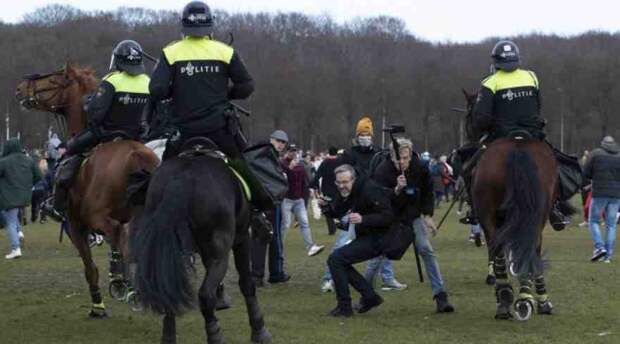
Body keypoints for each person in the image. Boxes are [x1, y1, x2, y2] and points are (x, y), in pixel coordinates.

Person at [463, 39, 580, 230]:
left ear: (495, 62)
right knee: (556, 164)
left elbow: (482, 119)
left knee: (469, 169)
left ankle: (475, 210)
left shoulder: (490, 82)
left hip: (501, 136)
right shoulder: (531, 77)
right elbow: (538, 106)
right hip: (531, 134)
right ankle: (555, 207)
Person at [48, 39, 150, 221]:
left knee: (69, 153)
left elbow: (96, 114)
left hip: (107, 135)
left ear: (118, 61)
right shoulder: (147, 81)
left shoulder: (111, 81)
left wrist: (88, 105)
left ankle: (57, 206)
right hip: (139, 137)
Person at [372, 137, 455, 312]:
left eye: (405, 158)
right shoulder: (382, 171)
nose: (402, 162)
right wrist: (396, 190)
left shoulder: (421, 168)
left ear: (410, 156)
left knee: (426, 249)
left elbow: (427, 192)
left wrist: (427, 214)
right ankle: (366, 294)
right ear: (392, 157)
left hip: (413, 217)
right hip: (391, 218)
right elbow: (378, 198)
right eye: (398, 158)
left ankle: (440, 296)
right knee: (377, 254)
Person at [323, 164, 394, 317]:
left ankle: (346, 307)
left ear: (353, 179)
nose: (342, 186)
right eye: (338, 183)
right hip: (368, 235)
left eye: (345, 182)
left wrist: (364, 219)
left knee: (336, 260)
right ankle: (369, 297)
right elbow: (339, 210)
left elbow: (388, 216)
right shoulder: (351, 191)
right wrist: (326, 207)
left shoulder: (369, 189)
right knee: (338, 261)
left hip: (382, 237)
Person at [250, 130, 291, 286]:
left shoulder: (261, 155)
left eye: (283, 142)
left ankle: (266, 274)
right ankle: (265, 274)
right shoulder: (266, 156)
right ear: (271, 140)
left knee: (265, 237)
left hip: (264, 202)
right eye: (278, 141)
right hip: (269, 202)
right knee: (268, 237)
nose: (281, 144)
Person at [1, 138, 42, 259]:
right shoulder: (29, 160)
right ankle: (19, 232)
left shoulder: (4, 162)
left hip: (9, 196)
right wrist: (29, 185)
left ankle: (15, 248)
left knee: (10, 221)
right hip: (24, 196)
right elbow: (39, 176)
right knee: (11, 216)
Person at [280, 147, 325, 257]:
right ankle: (278, 246)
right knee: (285, 225)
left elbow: (305, 179)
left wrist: (311, 190)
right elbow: (282, 179)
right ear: (287, 152)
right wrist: (289, 169)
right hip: (286, 199)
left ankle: (311, 247)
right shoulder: (281, 164)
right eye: (291, 151)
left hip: (299, 200)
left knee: (304, 224)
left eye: (294, 151)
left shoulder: (300, 165)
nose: (293, 153)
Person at [583, 136, 620, 263]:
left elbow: (586, 172)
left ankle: (599, 247)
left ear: (602, 144)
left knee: (593, 220)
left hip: (599, 192)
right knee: (611, 225)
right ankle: (608, 256)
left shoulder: (595, 154)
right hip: (616, 195)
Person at [311, 147, 341, 235]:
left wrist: (313, 184)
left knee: (327, 207)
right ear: (336, 153)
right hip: (338, 187)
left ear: (329, 152)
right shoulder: (340, 162)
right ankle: (338, 222)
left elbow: (318, 174)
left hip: (327, 189)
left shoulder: (325, 162)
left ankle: (331, 229)